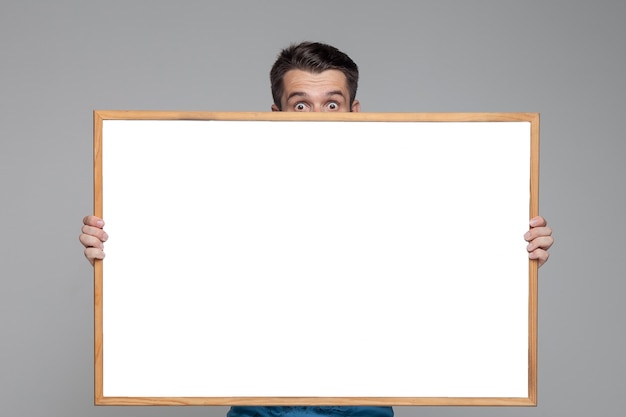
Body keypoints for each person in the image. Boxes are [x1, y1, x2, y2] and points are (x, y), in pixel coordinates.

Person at [80, 42, 554, 417]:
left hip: (363, 402)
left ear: (355, 111)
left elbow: (444, 267)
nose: (317, 115)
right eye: (301, 105)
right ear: (275, 114)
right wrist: (118, 249)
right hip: (257, 402)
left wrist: (513, 251)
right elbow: (184, 265)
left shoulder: (406, 190)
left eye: (332, 103)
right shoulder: (224, 188)